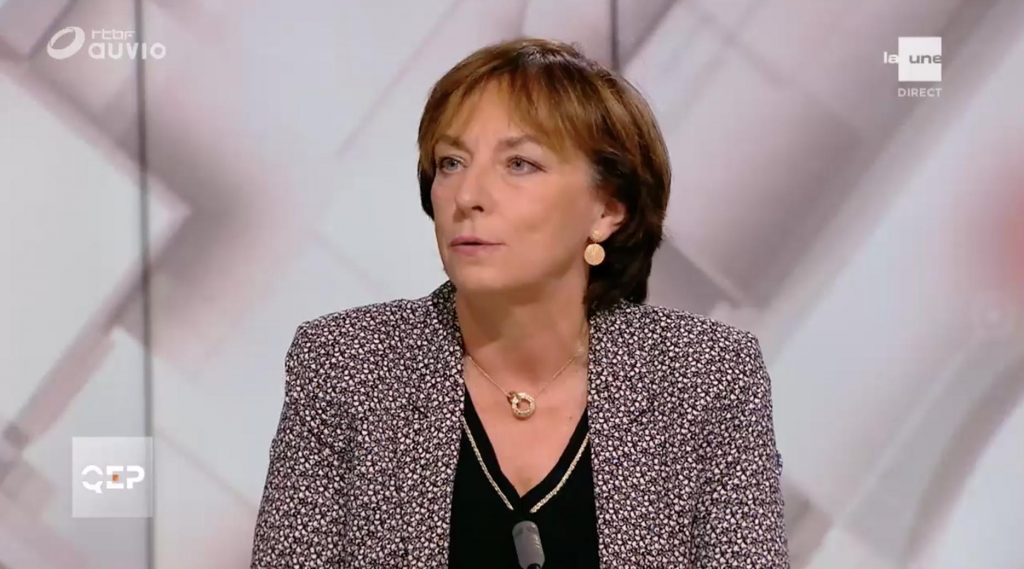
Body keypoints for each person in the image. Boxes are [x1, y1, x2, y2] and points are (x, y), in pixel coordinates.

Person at [250, 37, 789, 568]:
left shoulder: (706, 378)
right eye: (451, 162)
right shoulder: (348, 365)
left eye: (520, 164)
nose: (467, 197)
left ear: (607, 209)